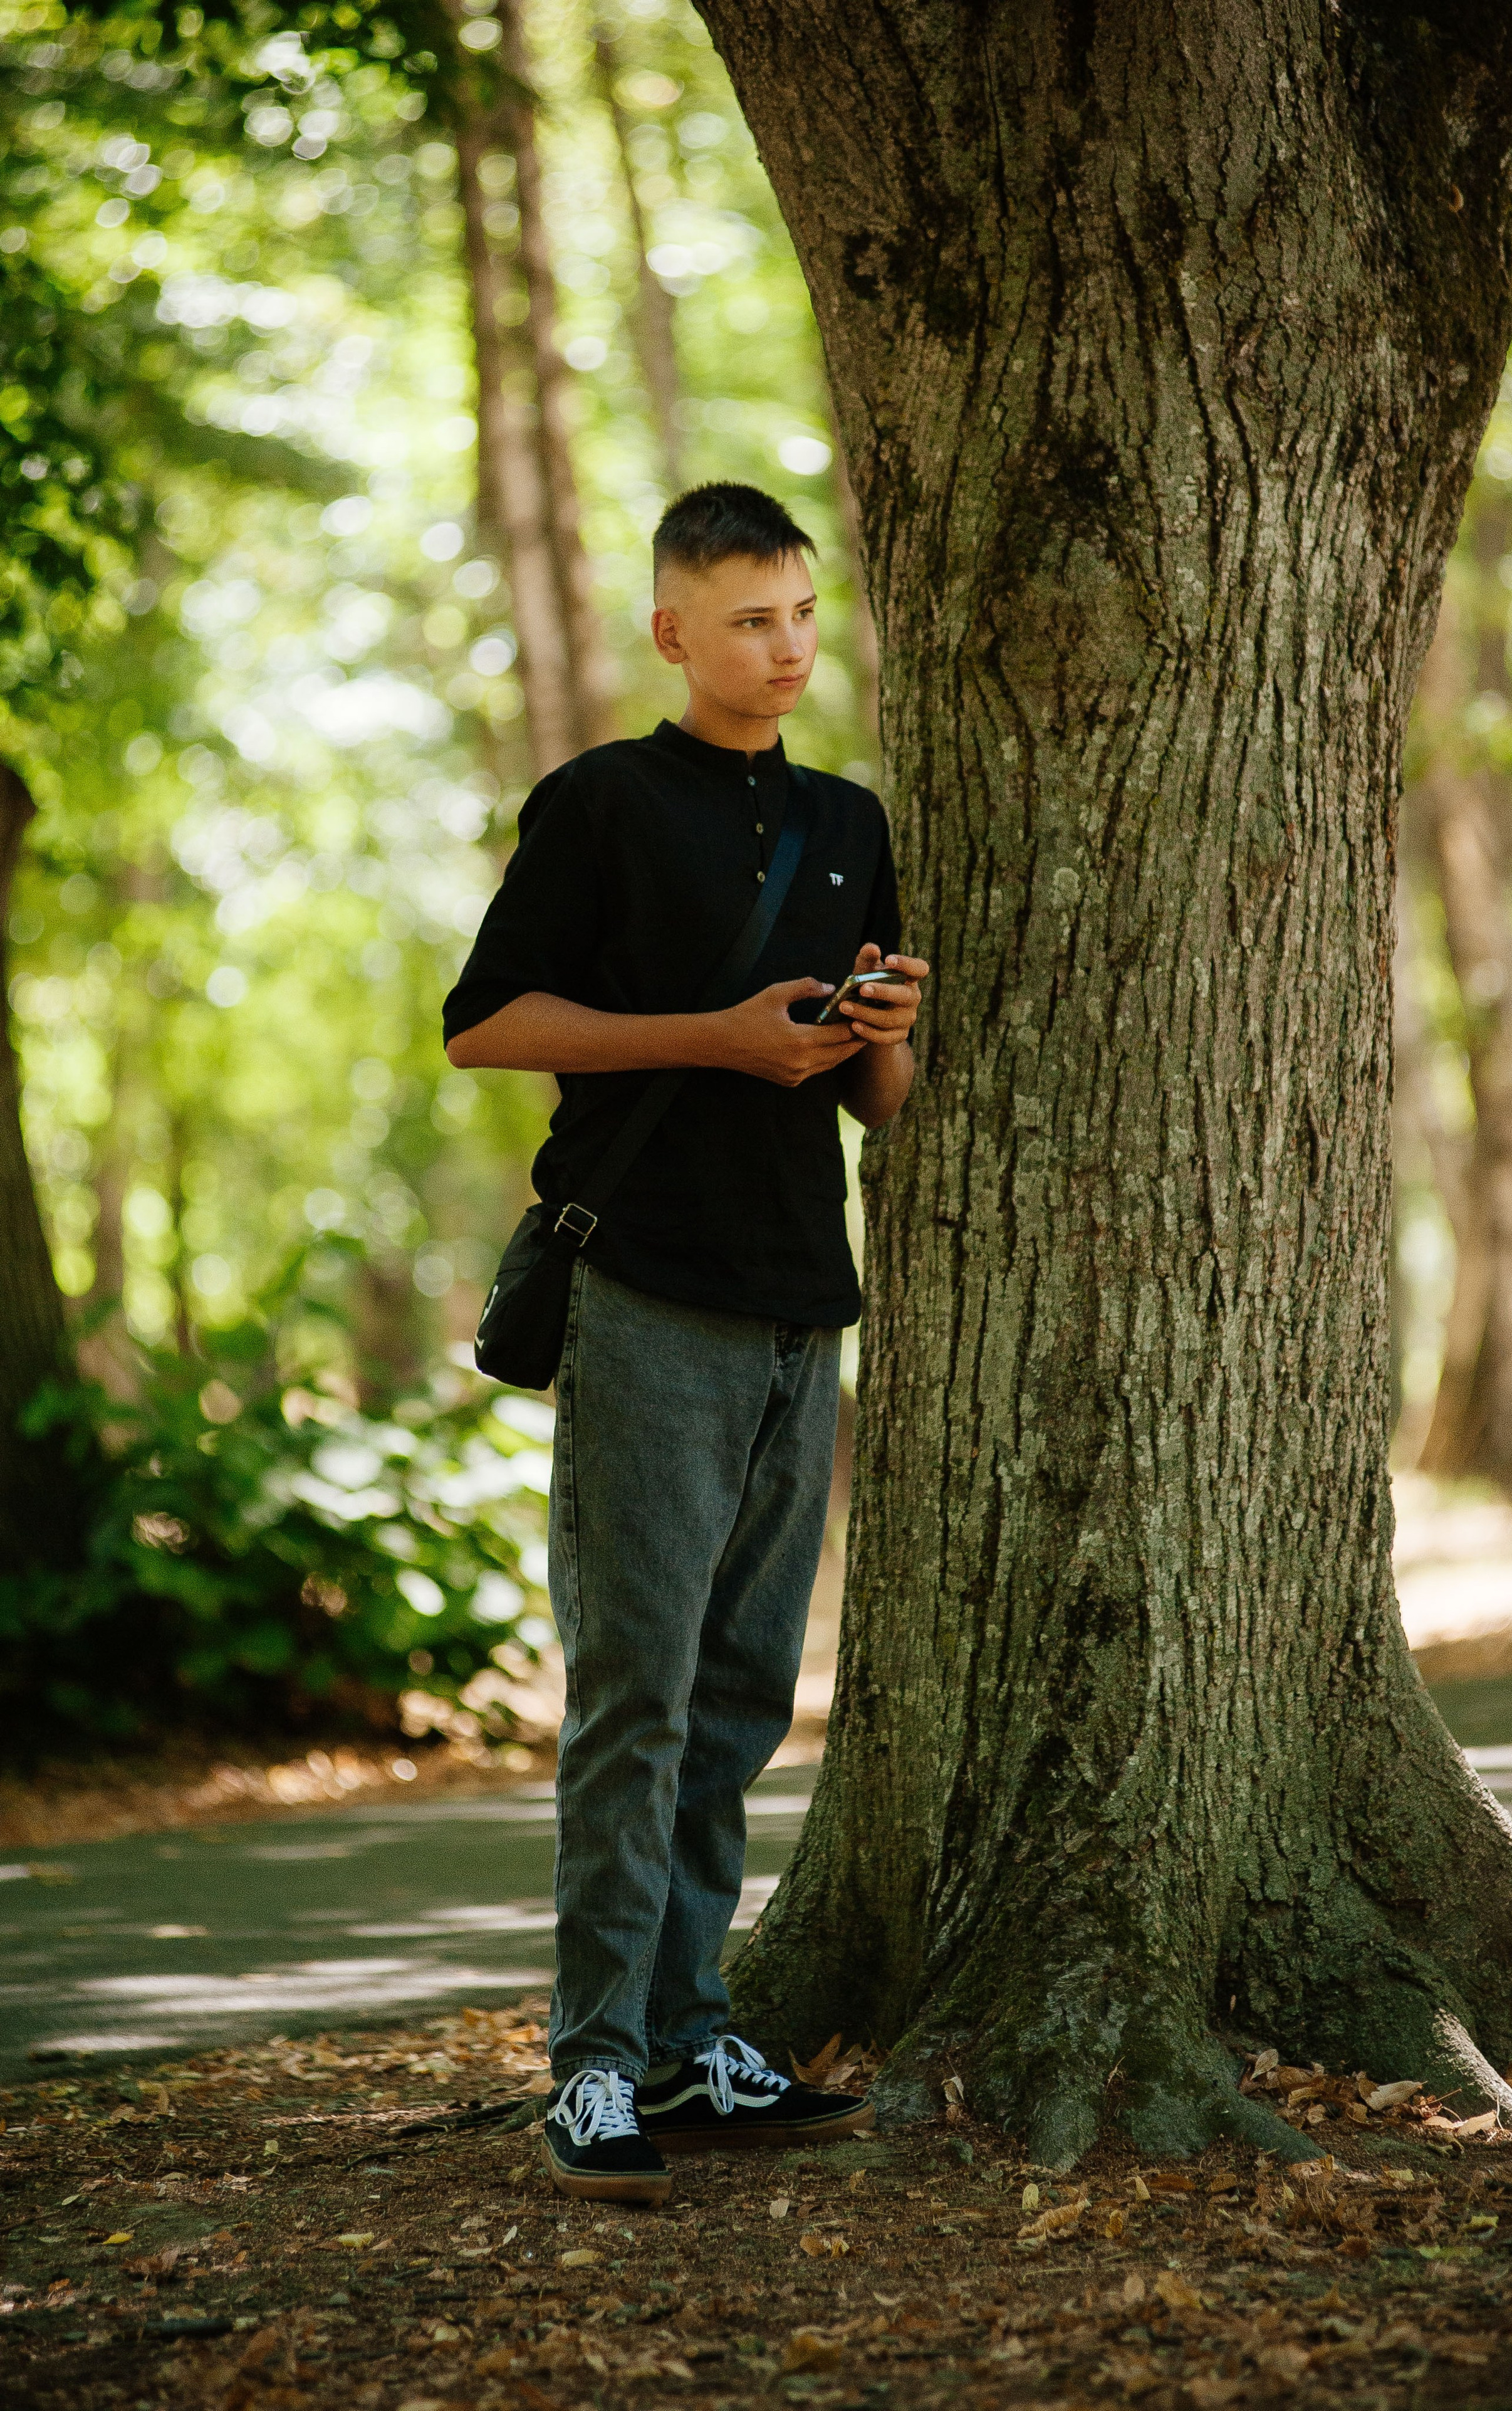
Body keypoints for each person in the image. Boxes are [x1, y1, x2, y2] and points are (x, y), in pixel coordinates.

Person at [442, 482, 927, 2205]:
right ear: (672, 632)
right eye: (745, 620)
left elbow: (877, 1101)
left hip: (808, 1301)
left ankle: (696, 2031)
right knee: (634, 1699)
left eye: (800, 614)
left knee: (737, 1699)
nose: (783, 648)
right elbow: (485, 1025)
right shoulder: (599, 805)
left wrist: (882, 1031)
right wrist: (713, 1040)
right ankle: (589, 2068)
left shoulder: (851, 817)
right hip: (649, 1294)